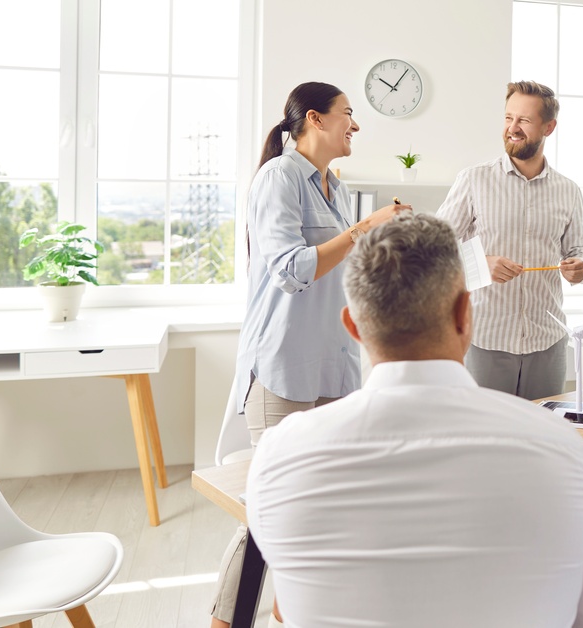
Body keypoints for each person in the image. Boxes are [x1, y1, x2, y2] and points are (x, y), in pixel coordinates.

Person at [246, 213, 583, 627]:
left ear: (353, 326)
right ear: (465, 314)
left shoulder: (281, 453)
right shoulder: (564, 449)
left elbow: (287, 608)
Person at [211, 82, 410, 628]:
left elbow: (339, 265)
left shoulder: (332, 185)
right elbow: (291, 271)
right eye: (349, 114)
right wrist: (362, 229)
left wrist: (380, 242)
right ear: (317, 120)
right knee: (268, 514)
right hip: (282, 372)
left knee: (323, 508)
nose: (356, 125)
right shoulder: (278, 178)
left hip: (334, 368)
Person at [437, 80, 583, 399]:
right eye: (509, 118)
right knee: (485, 442)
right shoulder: (474, 180)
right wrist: (480, 265)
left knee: (540, 440)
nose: (513, 128)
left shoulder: (568, 191)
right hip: (486, 343)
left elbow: (579, 250)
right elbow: (434, 249)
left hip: (548, 343)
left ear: (549, 127)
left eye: (524, 120)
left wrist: (580, 267)